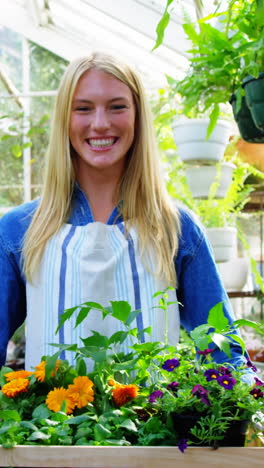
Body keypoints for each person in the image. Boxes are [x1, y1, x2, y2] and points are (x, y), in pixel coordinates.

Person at [0, 51, 255, 381]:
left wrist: (242, 405)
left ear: (137, 117)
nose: (101, 122)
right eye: (83, 108)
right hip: (53, 431)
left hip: (157, 429)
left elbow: (223, 350)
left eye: (117, 106)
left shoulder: (177, 228)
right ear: (64, 118)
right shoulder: (18, 230)